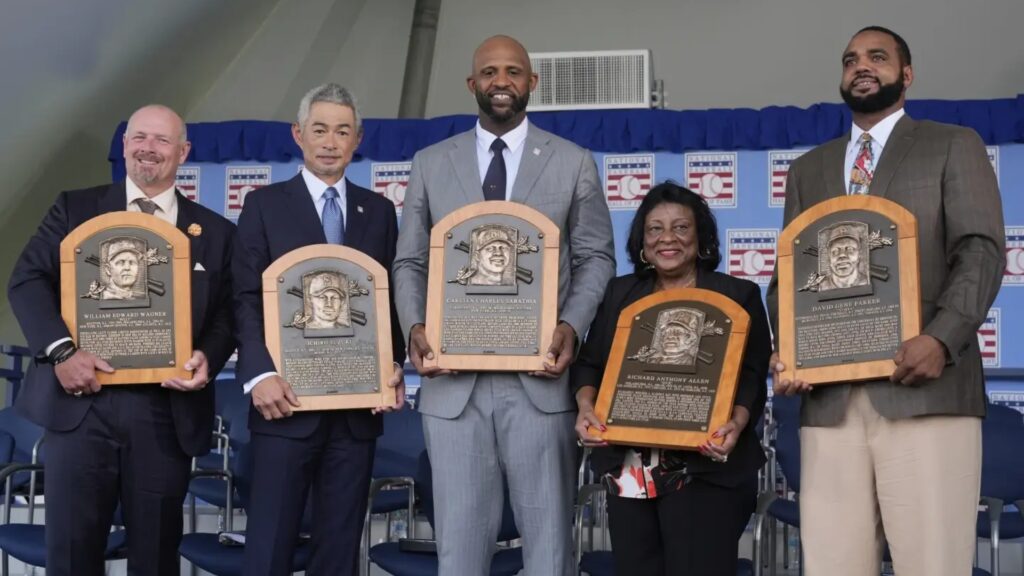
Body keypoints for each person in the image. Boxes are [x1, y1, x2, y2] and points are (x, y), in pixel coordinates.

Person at [767, 26, 1005, 576]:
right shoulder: (809, 168)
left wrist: (941, 339)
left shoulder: (953, 144)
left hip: (926, 394)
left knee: (933, 564)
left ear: (907, 74)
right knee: (833, 566)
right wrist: (792, 352)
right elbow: (789, 277)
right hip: (829, 406)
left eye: (877, 57)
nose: (862, 67)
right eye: (850, 60)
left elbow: (981, 251)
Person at [393, 34, 615, 575]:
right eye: (489, 72)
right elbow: (410, 262)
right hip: (453, 387)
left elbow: (596, 257)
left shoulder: (572, 162)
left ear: (531, 82)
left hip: (540, 382)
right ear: (472, 84)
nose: (501, 82)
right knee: (460, 548)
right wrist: (415, 326)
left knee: (549, 547)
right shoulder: (430, 163)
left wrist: (571, 325)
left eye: (513, 72)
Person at [7, 104, 237, 576]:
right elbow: (27, 281)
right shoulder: (74, 208)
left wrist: (208, 357)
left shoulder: (216, 232)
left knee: (155, 557)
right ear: (125, 145)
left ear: (183, 152)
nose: (148, 148)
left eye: (162, 140)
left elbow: (230, 312)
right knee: (72, 554)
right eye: (139, 137)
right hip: (81, 405)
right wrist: (63, 353)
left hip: (165, 413)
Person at [233, 83, 406, 576]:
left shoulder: (378, 211)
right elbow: (244, 297)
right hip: (283, 404)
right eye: (320, 130)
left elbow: (388, 300)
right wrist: (259, 374)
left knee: (339, 549)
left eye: (343, 131)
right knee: (269, 546)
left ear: (358, 140)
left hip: (355, 415)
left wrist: (391, 366)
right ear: (299, 134)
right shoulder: (264, 205)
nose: (331, 142)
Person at [574, 183, 771, 575]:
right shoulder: (619, 293)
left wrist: (736, 423)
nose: (667, 238)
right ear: (642, 242)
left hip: (707, 469)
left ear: (701, 238)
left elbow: (751, 376)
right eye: (655, 229)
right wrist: (585, 408)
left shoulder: (738, 294)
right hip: (630, 471)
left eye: (681, 228)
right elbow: (590, 363)